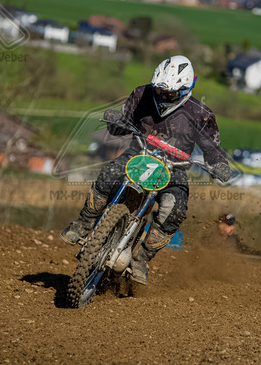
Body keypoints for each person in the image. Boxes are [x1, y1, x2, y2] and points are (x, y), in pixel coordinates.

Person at [60, 55, 232, 285]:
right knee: (108, 175)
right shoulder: (141, 94)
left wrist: (219, 165)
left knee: (174, 210)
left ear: (186, 89)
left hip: (174, 169)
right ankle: (82, 224)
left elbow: (213, 149)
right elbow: (120, 127)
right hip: (137, 156)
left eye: (170, 93)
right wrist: (115, 119)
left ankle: (141, 258)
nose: (163, 96)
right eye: (160, 90)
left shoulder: (201, 114)